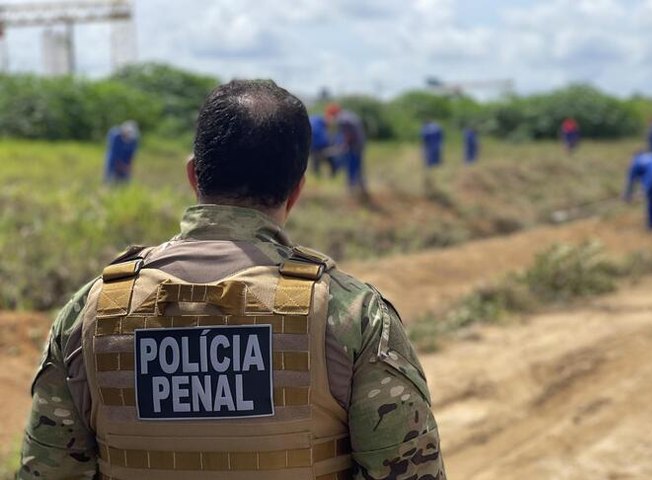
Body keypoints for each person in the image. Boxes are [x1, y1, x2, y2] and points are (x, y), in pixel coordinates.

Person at [19, 80, 445, 480]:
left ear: (193, 176)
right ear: (297, 189)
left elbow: (48, 469)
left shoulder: (90, 310)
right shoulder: (351, 313)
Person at [325, 103, 368, 199]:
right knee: (359, 168)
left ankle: (351, 191)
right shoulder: (349, 115)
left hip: (354, 146)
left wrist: (343, 145)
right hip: (360, 144)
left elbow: (348, 135)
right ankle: (363, 190)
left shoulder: (343, 120)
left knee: (352, 167)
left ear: (333, 113)